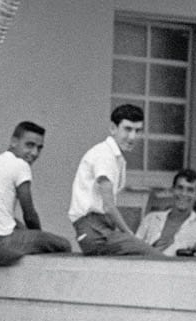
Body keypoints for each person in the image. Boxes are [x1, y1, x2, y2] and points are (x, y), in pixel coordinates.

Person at [0, 122, 72, 265]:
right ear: (14, 142)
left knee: (18, 225)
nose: (34, 153)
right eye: (30, 145)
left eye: (39, 148)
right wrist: (38, 236)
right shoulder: (21, 165)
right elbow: (29, 214)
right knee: (63, 245)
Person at [69, 105, 165, 257]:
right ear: (113, 128)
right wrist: (129, 234)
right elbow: (108, 207)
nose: (132, 137)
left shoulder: (114, 157)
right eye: (127, 129)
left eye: (137, 131)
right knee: (154, 257)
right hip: (94, 231)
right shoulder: (104, 155)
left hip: (102, 229)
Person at [136, 169, 196, 258]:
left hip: (182, 266)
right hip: (146, 265)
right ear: (172, 190)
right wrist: (151, 251)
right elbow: (132, 250)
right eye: (180, 188)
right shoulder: (151, 218)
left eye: (190, 190)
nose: (183, 194)